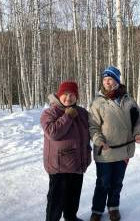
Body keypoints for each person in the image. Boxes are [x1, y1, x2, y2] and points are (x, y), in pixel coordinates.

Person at [89, 66, 140, 221]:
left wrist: (138, 134)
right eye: (105, 79)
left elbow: (139, 120)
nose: (107, 82)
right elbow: (93, 126)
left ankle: (113, 207)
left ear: (117, 81)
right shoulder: (97, 102)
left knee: (117, 182)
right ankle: (97, 210)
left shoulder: (129, 101)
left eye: (110, 79)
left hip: (124, 150)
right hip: (105, 151)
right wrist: (99, 140)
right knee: (103, 182)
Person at [40, 81, 92, 221]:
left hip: (77, 163)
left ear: (77, 97)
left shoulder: (82, 113)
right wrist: (68, 116)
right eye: (65, 94)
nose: (68, 98)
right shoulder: (50, 113)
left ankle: (70, 217)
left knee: (73, 196)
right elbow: (53, 132)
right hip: (59, 167)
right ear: (59, 95)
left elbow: (92, 129)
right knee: (56, 200)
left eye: (72, 95)